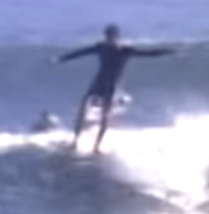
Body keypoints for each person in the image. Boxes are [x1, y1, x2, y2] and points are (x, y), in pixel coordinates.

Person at [55, 24, 173, 154]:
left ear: (117, 37)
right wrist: (61, 59)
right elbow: (81, 52)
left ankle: (96, 147)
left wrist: (169, 51)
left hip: (111, 86)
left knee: (105, 117)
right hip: (98, 83)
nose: (109, 40)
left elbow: (149, 54)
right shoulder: (101, 47)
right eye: (107, 37)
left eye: (111, 37)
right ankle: (75, 141)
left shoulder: (125, 50)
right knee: (83, 108)